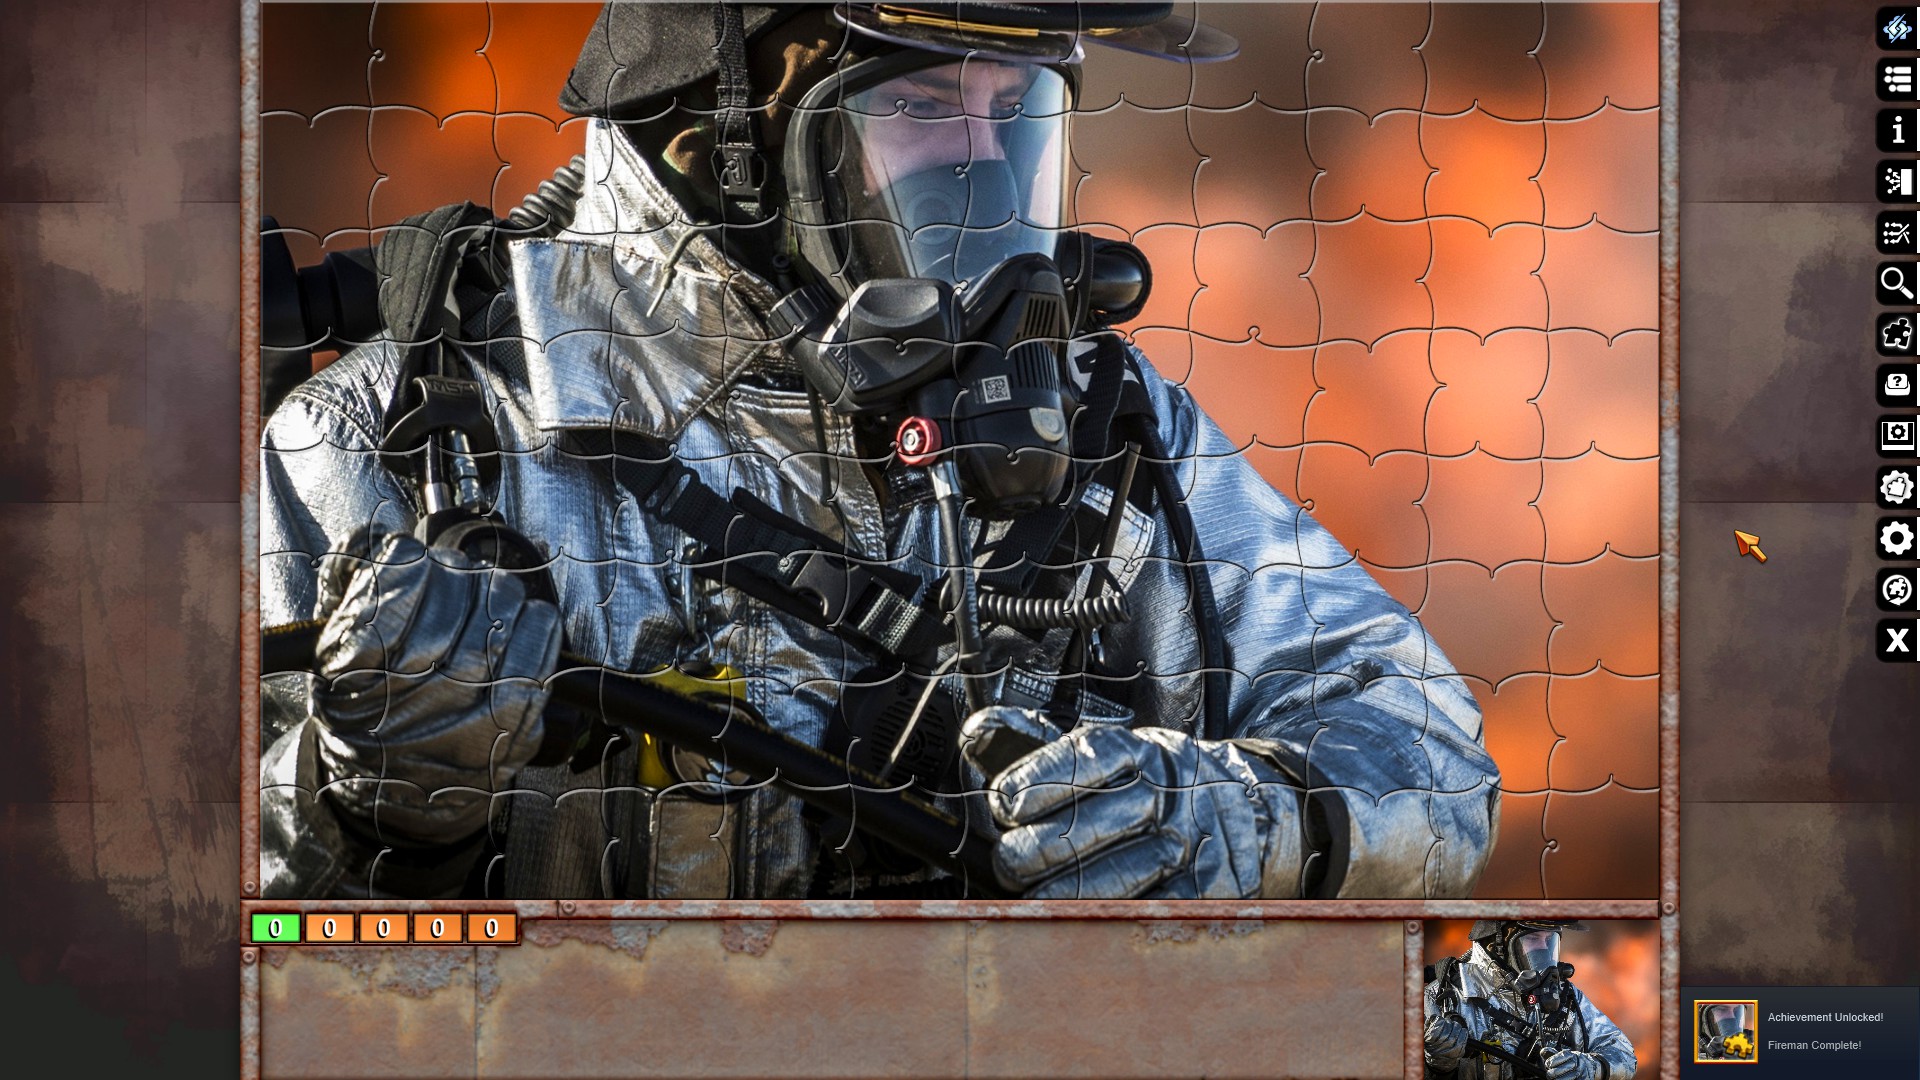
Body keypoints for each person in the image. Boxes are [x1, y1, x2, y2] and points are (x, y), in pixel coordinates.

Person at [258, 2, 1500, 900]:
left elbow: (1426, 743)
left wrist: (1249, 823)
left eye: (1015, 111)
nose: (983, 168)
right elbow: (204, 950)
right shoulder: (392, 439)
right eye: (919, 106)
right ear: (724, 144)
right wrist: (355, 793)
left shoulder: (1112, 425)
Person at [1424, 921, 1638, 1079]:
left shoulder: (1567, 997)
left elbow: (1624, 1055)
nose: (1544, 949)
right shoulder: (1440, 997)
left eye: (1550, 940)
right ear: (1496, 946)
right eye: (1533, 939)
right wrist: (1437, 1065)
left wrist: (1590, 1068)